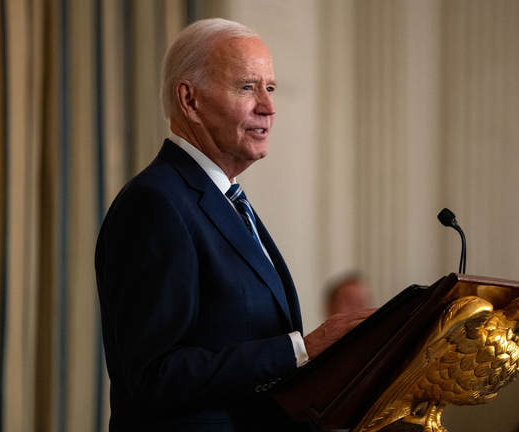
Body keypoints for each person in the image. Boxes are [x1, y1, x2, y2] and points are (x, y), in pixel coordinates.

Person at [95, 18, 375, 432]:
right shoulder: (155, 203)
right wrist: (302, 349)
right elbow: (153, 374)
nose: (268, 105)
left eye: (271, 87)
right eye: (247, 87)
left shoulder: (226, 200)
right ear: (190, 100)